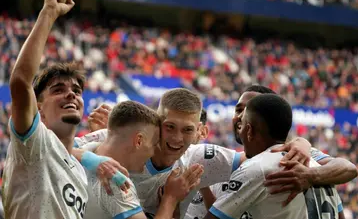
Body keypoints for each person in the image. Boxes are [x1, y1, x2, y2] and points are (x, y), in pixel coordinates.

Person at [78, 88, 314, 219]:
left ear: (200, 131)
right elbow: (55, 146)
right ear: (156, 120)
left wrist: (300, 144)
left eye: (187, 130)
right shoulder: (118, 140)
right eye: (169, 126)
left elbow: (257, 154)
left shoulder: (199, 159)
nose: (177, 138)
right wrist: (93, 159)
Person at [2, 0, 125, 219]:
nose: (71, 95)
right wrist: (49, 13)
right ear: (38, 108)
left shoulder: (78, 169)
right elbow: (20, 81)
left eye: (76, 91)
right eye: (58, 90)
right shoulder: (35, 141)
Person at [186, 85, 353, 219]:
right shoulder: (311, 164)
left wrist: (311, 176)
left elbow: (349, 168)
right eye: (238, 110)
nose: (240, 118)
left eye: (248, 112)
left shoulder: (269, 165)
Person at [81, 101, 204, 219]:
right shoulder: (118, 185)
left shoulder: (83, 148)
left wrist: (89, 158)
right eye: (155, 144)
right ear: (139, 141)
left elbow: (65, 147)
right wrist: (171, 198)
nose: (153, 152)